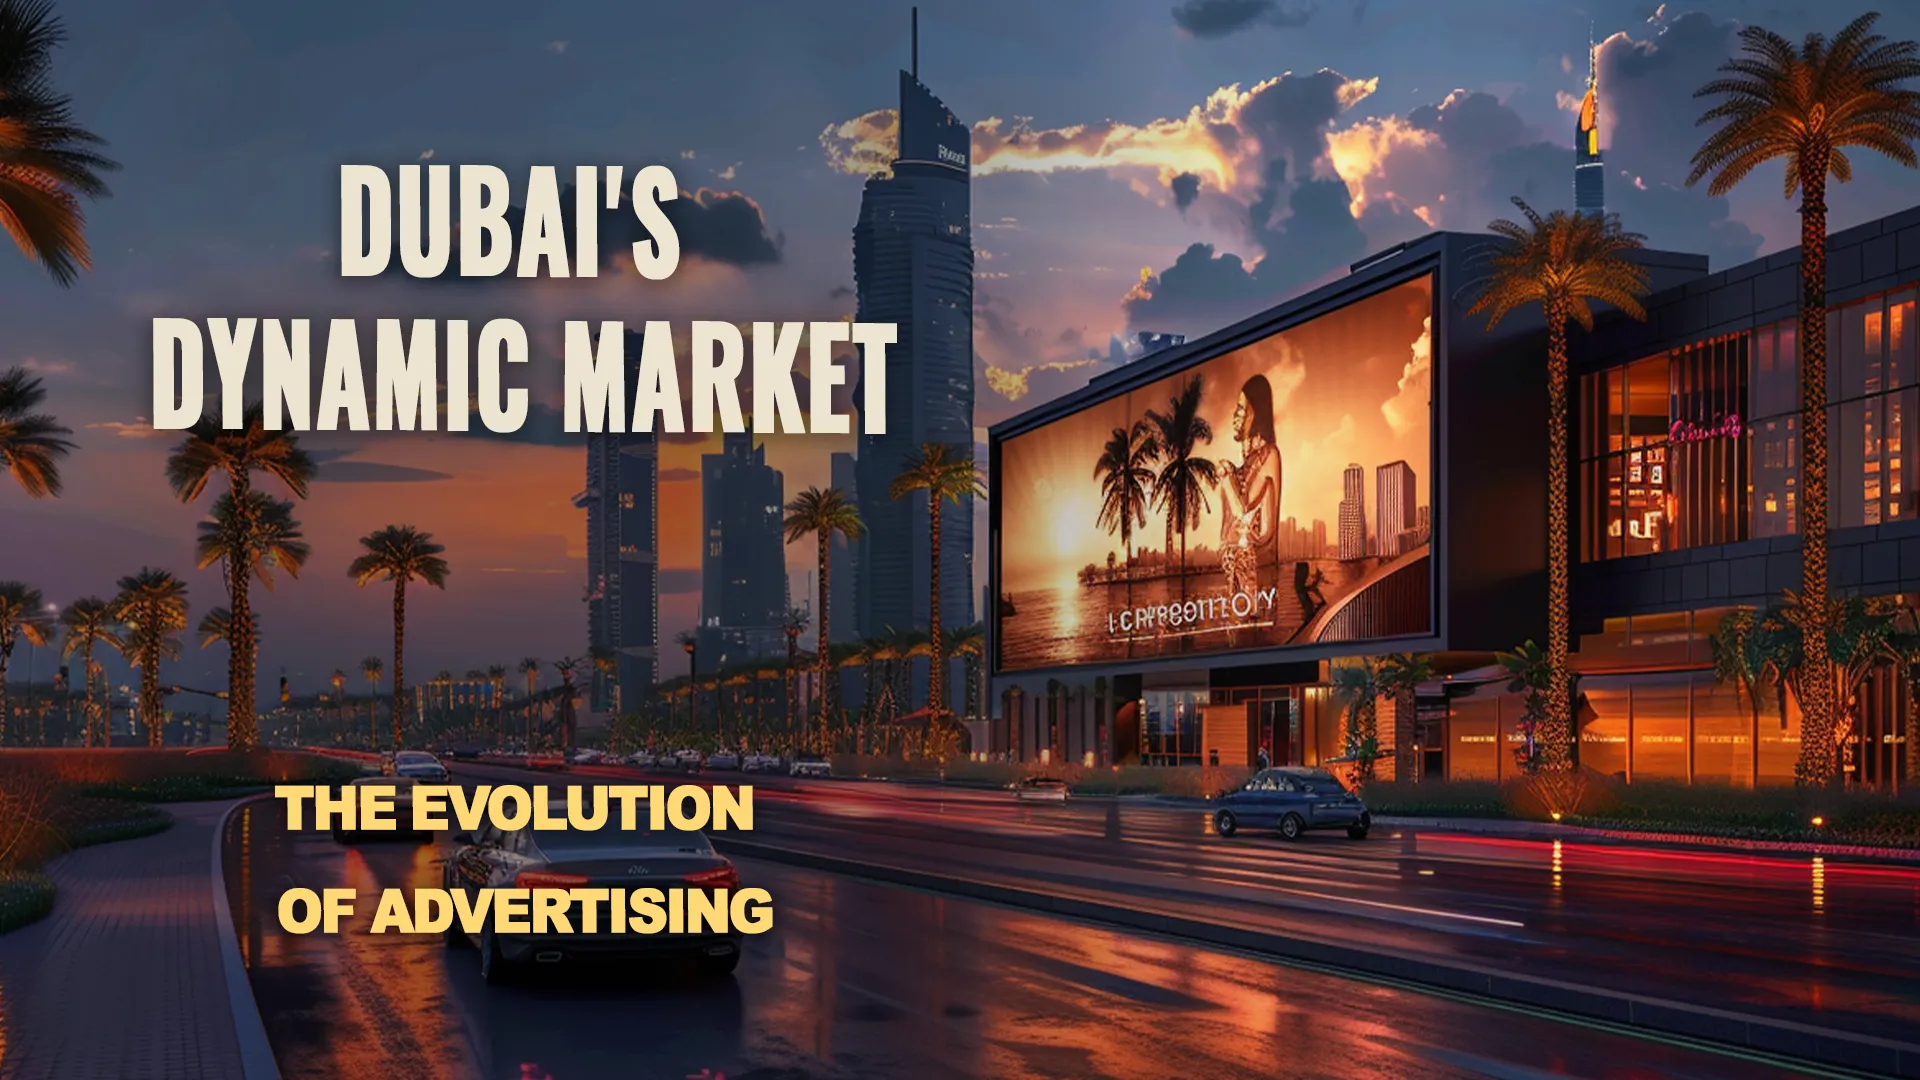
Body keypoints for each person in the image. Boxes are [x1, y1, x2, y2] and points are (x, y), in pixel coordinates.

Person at [1218, 374, 1281, 608]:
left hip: (1255, 584)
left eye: (1240, 409)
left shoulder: (1268, 455)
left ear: (1256, 411)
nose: (1235, 416)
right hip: (1236, 581)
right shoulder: (1244, 466)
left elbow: (1244, 511)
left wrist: (1226, 477)